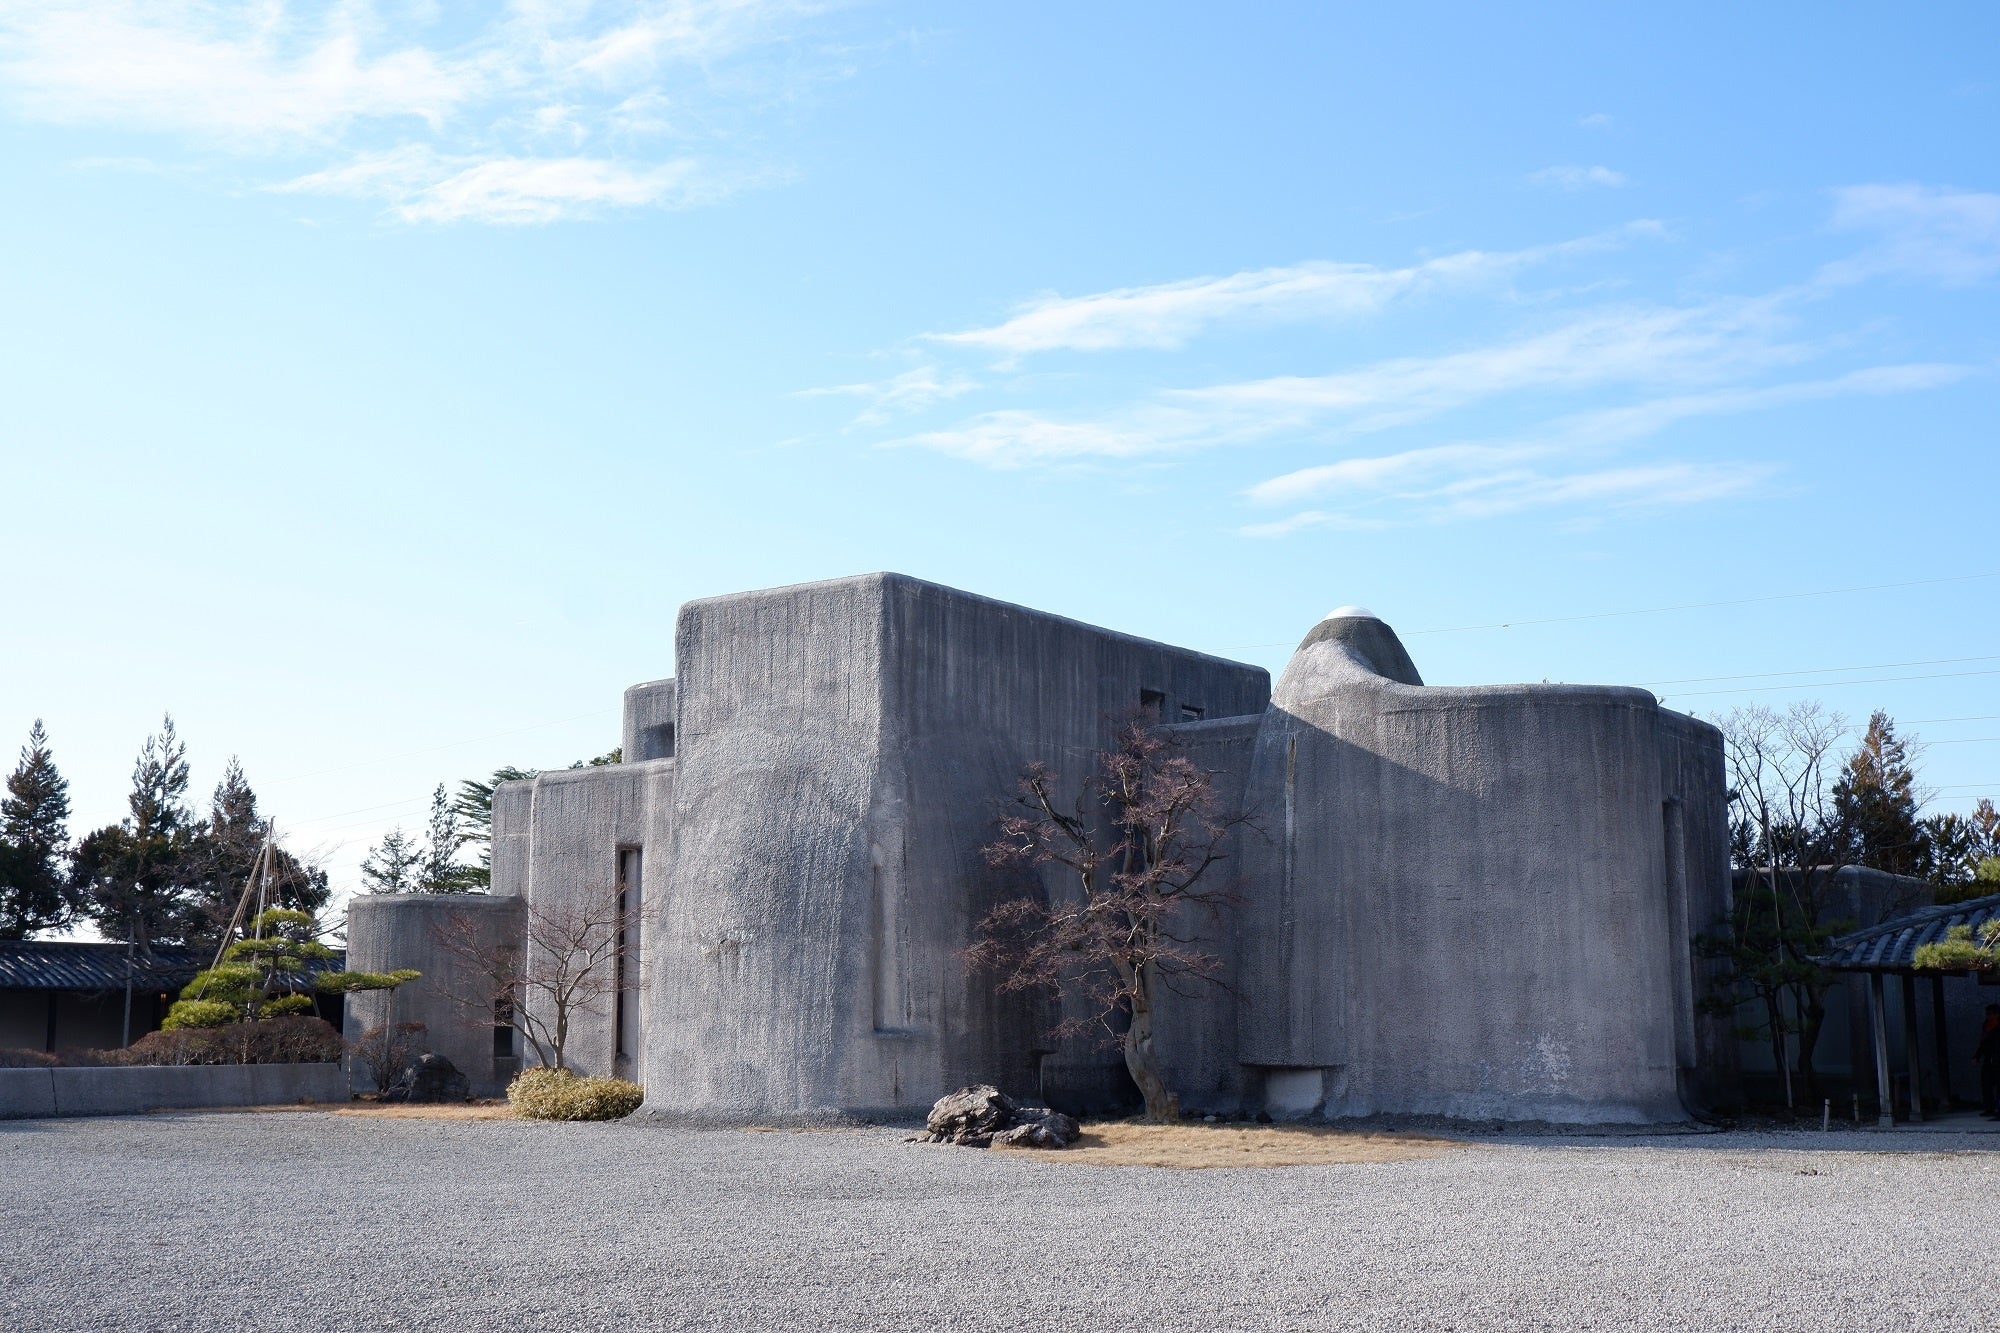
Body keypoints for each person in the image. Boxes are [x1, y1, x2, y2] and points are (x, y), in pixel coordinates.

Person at [1976, 1004, 2000, 1119]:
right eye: (1987, 1014)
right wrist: (1977, 1056)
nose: (1988, 1016)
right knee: (1986, 1085)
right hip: (1989, 1059)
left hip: (1996, 1059)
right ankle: (1989, 1108)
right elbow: (1984, 1043)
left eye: (1990, 1014)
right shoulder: (1986, 1026)